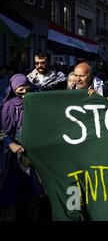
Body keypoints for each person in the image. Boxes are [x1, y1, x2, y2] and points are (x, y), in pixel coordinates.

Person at [0, 74, 45, 220]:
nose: (24, 91)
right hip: (9, 157)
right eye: (20, 88)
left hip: (31, 154)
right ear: (13, 88)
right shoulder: (5, 105)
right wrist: (9, 143)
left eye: (27, 88)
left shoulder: (35, 102)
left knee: (33, 190)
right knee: (10, 191)